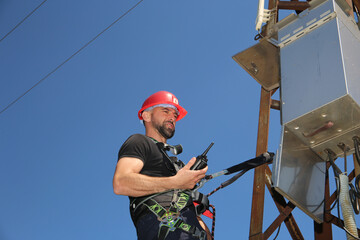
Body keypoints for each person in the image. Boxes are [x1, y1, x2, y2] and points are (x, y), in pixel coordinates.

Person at [113, 91, 211, 240]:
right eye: (166, 111)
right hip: (161, 228)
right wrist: (176, 182)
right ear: (146, 115)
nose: (172, 117)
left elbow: (189, 209)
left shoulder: (174, 163)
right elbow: (121, 182)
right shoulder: (139, 142)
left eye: (175, 115)